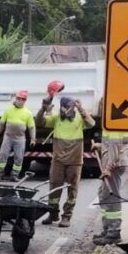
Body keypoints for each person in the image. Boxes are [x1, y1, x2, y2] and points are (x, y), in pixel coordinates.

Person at [36, 95, 94, 227]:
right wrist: (42, 109)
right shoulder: (56, 119)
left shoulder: (79, 119)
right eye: (64, 106)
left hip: (75, 161)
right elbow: (39, 122)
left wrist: (82, 110)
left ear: (73, 106)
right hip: (58, 161)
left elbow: (91, 124)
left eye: (68, 106)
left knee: (72, 189)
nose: (65, 109)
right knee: (54, 188)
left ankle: (67, 216)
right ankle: (52, 213)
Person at [94, 127, 128, 245]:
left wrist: (108, 168)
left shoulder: (113, 122)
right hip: (114, 163)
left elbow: (115, 147)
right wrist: (100, 146)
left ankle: (113, 233)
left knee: (111, 198)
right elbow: (115, 145)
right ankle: (108, 229)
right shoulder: (111, 122)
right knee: (103, 195)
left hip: (114, 165)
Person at [0, 90, 34, 182]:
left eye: (23, 99)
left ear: (25, 101)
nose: (20, 101)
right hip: (8, 137)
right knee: (3, 155)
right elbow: (1, 123)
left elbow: (31, 127)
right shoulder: (8, 110)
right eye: (19, 99)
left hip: (20, 138)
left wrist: (33, 139)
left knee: (19, 157)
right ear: (16, 99)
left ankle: (14, 175)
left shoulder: (28, 113)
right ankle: (0, 174)